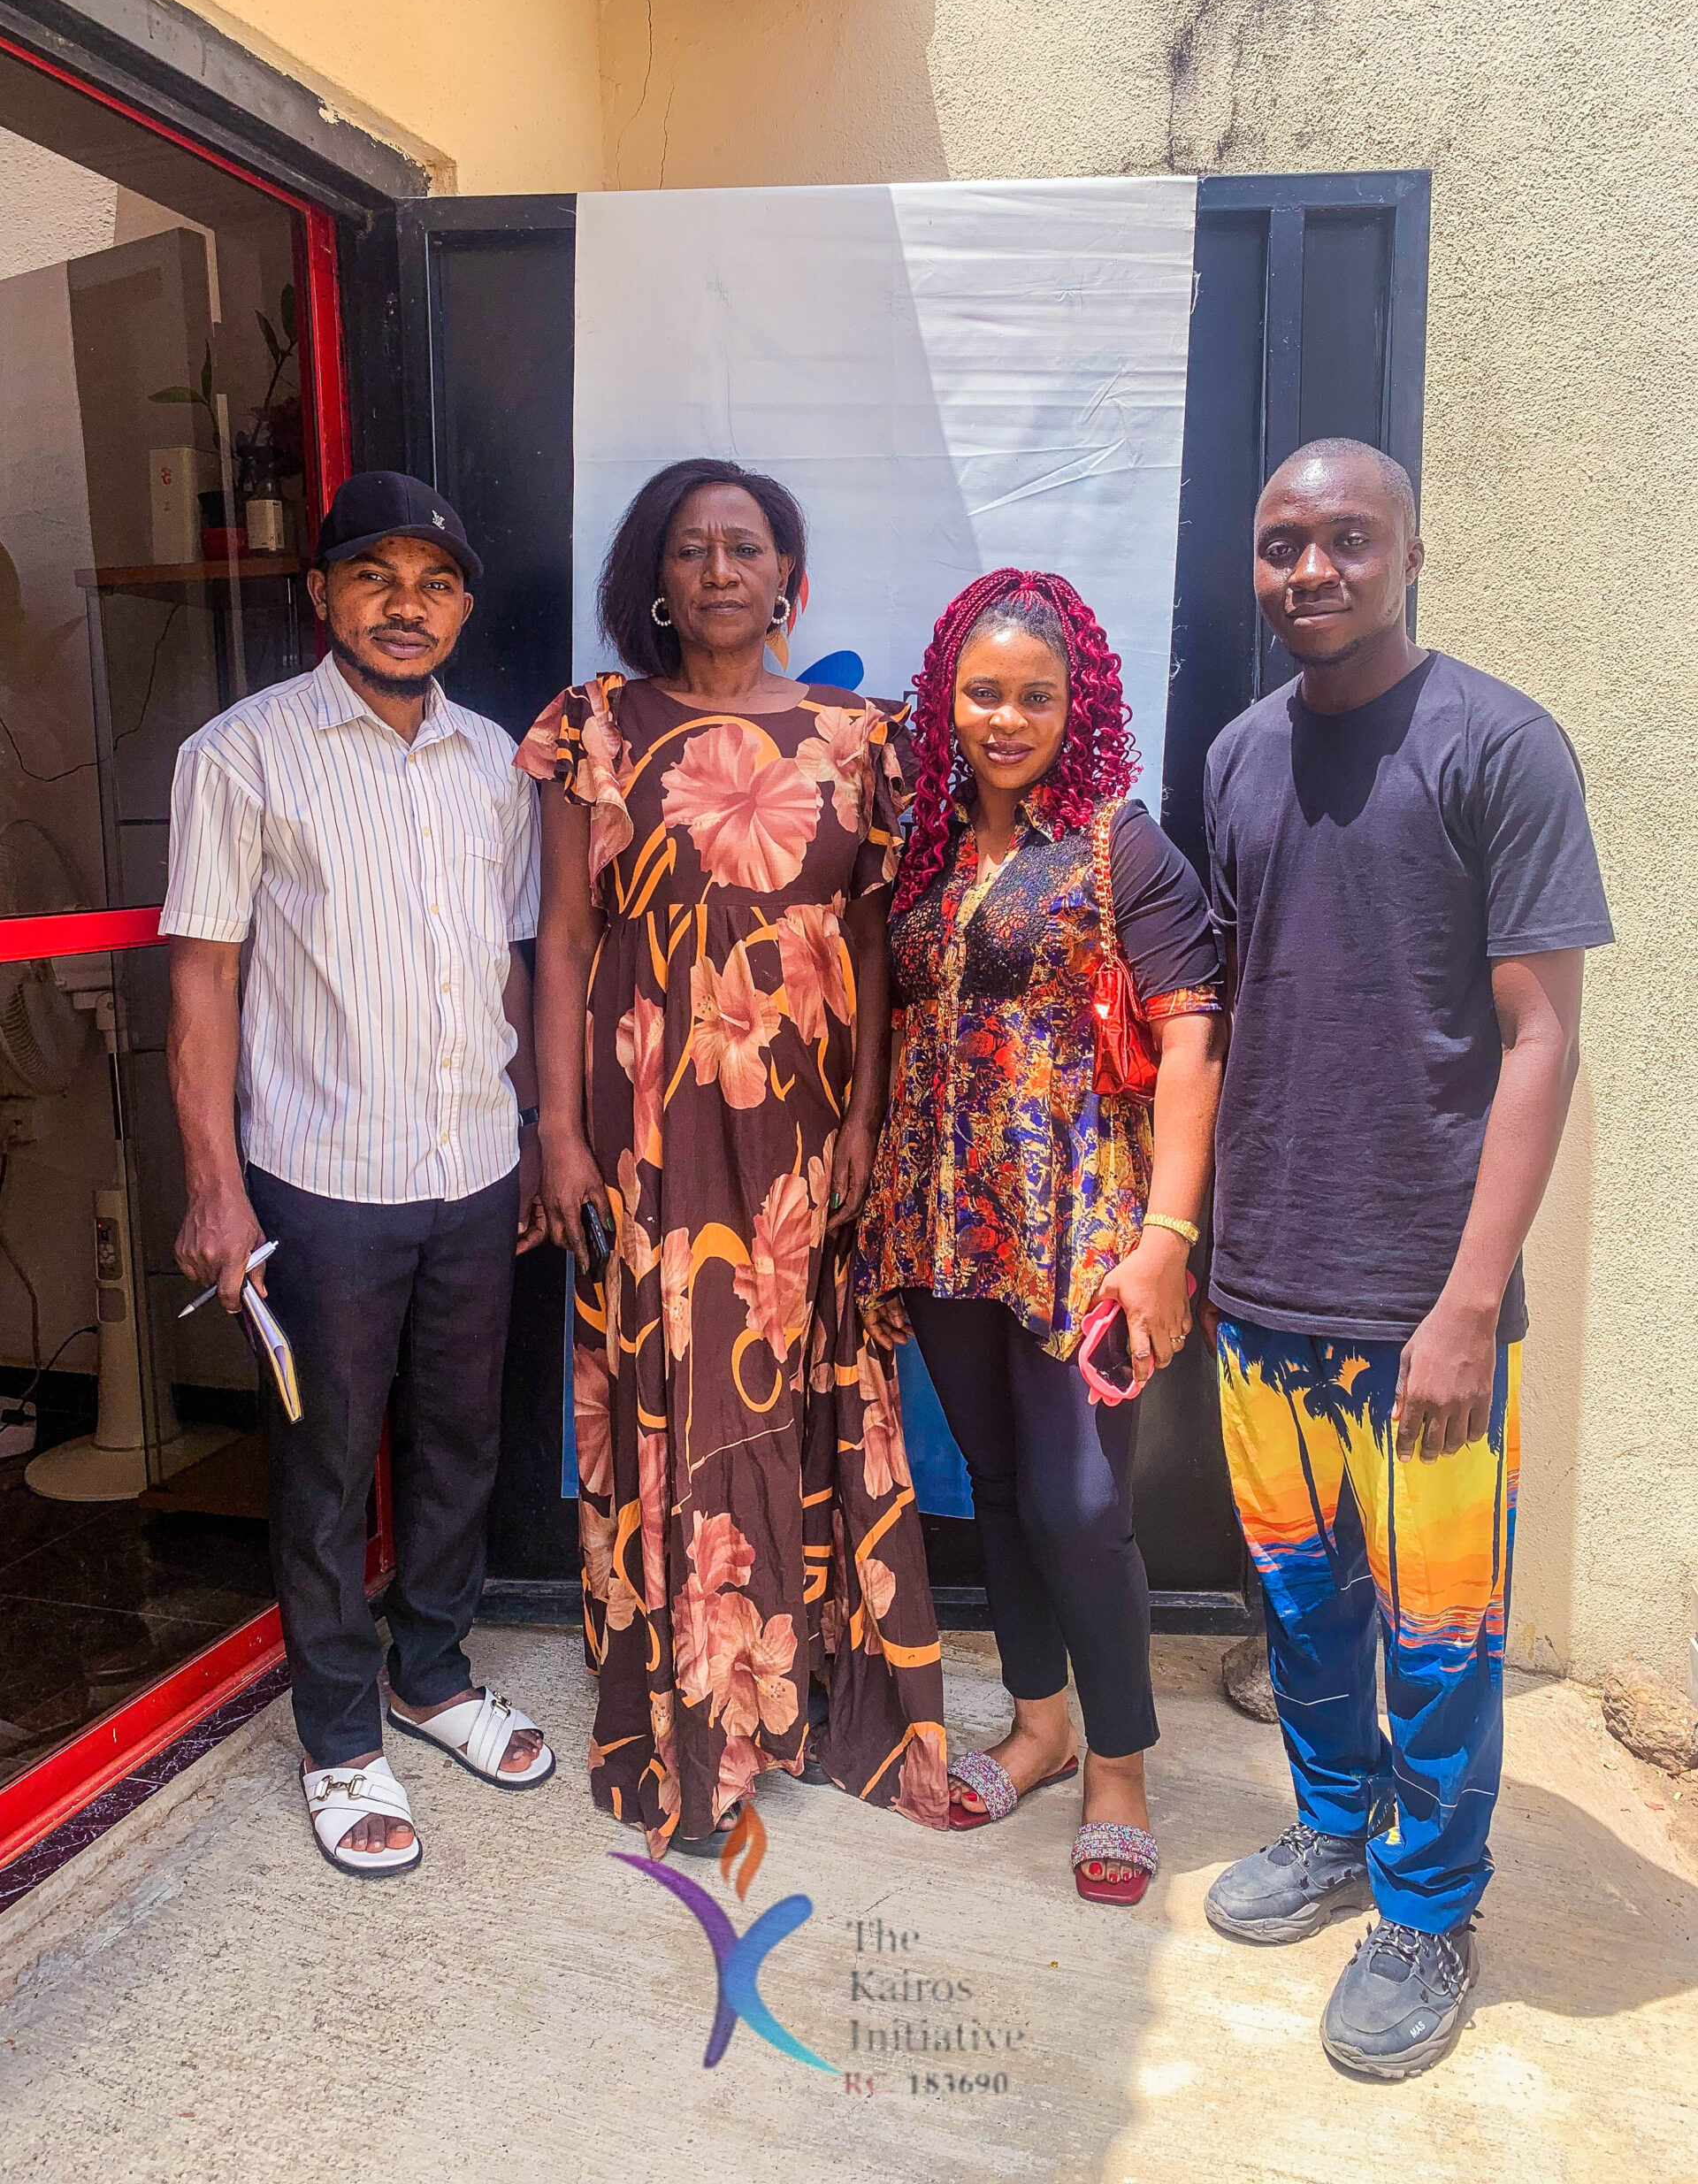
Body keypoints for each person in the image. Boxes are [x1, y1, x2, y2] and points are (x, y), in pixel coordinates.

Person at [1201, 437, 1613, 2074]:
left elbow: (1540, 1042)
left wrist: (1468, 1302)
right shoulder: (1238, 756)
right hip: (1264, 1281)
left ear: (1412, 554)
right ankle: (1333, 1824)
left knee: (1440, 1635)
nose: (1311, 568)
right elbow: (1240, 1011)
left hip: (1423, 1300)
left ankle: (1431, 1905)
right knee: (1305, 1606)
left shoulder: (1500, 746)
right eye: (1282, 541)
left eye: (1348, 539)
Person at [522, 456, 947, 1856]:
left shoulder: (856, 738)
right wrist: (557, 1130)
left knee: (792, 1381)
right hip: (647, 1118)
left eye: (746, 548)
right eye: (692, 548)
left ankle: (793, 1691)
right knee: (679, 1388)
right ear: (656, 578)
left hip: (801, 1122)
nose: (718, 570)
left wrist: (869, 1121)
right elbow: (566, 936)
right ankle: (697, 1726)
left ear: (788, 581)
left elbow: (872, 942)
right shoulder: (596, 726)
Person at [164, 471, 555, 1881]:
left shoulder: (495, 763)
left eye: (435, 582)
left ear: (463, 609)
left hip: (473, 1164)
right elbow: (203, 983)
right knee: (326, 1465)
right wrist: (215, 1186)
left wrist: (532, 1131)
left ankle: (429, 1674)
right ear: (320, 591)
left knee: (460, 1441)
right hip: (320, 1179)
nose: (406, 605)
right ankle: (338, 1734)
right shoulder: (242, 755)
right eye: (375, 576)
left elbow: (513, 965)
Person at [857, 570, 1227, 1905]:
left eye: (1036, 696)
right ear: (947, 698)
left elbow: (1192, 1041)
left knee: (1081, 1503)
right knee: (1002, 1488)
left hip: (1082, 1225)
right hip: (944, 1219)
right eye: (983, 693)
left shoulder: (1121, 846)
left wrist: (1168, 1237)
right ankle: (1040, 1727)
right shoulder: (925, 845)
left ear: (1081, 706)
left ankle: (1119, 1768)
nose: (1006, 719)